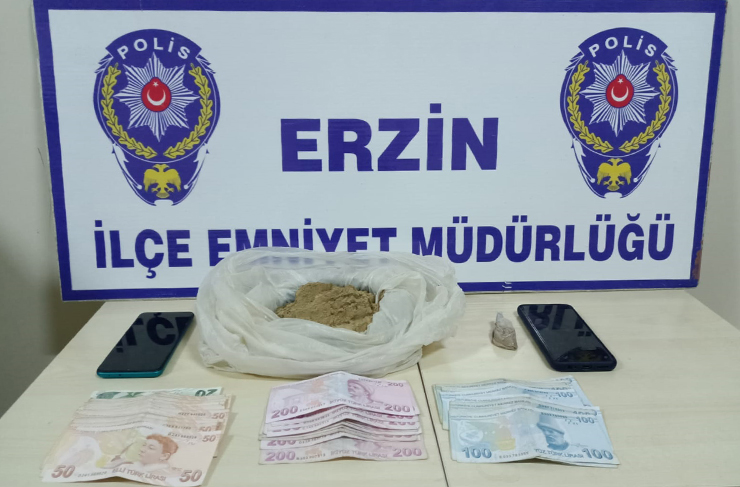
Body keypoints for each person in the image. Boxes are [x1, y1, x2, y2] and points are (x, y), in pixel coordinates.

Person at [105, 434, 180, 474]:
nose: (142, 449)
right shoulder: (127, 464)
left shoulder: (163, 473)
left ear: (164, 456)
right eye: (144, 445)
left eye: (151, 448)